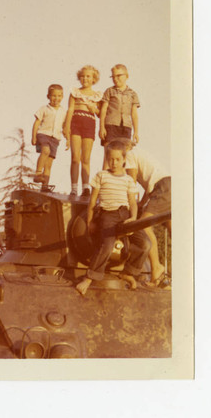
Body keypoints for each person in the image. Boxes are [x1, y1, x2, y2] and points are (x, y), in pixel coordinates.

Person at [76, 140, 150, 296]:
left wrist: (133, 218)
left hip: (125, 215)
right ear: (107, 158)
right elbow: (92, 201)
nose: (114, 163)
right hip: (107, 215)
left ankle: (128, 272)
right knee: (107, 246)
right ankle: (89, 278)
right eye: (111, 159)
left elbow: (132, 202)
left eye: (118, 159)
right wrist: (90, 221)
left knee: (145, 244)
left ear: (124, 160)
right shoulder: (101, 176)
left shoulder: (129, 180)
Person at [121, 139, 171, 286]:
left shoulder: (130, 155)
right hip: (167, 186)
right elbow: (149, 188)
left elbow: (131, 182)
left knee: (143, 226)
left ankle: (156, 267)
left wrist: (130, 206)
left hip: (162, 188)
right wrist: (141, 204)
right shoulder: (141, 154)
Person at [63, 65, 102, 197]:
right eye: (83, 76)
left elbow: (101, 113)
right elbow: (70, 110)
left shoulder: (97, 95)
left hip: (89, 124)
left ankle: (85, 187)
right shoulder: (75, 92)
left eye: (88, 76)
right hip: (76, 123)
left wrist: (94, 109)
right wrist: (66, 127)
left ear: (94, 79)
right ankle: (74, 188)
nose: (85, 78)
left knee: (86, 158)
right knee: (75, 158)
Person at [32, 84, 68, 192]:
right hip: (43, 134)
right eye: (53, 96)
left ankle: (45, 186)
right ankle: (38, 173)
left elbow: (64, 127)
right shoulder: (44, 109)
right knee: (45, 150)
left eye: (59, 96)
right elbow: (37, 122)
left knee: (49, 164)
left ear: (62, 97)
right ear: (48, 96)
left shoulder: (63, 111)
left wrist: (68, 139)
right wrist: (33, 137)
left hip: (55, 138)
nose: (56, 99)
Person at [99, 64, 140, 147]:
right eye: (113, 76)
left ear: (127, 76)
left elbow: (134, 114)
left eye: (118, 76)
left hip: (126, 127)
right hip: (110, 126)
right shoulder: (109, 91)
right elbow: (103, 110)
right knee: (109, 152)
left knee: (124, 153)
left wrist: (135, 132)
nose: (115, 79)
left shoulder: (132, 94)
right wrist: (102, 127)